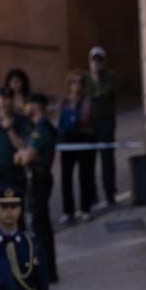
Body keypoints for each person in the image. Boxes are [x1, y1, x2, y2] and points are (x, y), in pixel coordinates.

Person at [16, 93, 59, 284]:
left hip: (40, 178)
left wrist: (23, 156)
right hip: (38, 178)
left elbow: (25, 157)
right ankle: (47, 270)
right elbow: (22, 154)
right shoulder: (36, 128)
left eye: (30, 103)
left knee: (41, 228)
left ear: (38, 106)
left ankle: (48, 272)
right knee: (39, 226)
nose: (27, 107)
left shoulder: (41, 129)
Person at [57, 70, 95, 226]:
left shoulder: (86, 101)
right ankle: (68, 211)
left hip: (83, 139)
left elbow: (85, 118)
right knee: (66, 177)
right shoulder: (64, 102)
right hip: (67, 141)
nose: (76, 85)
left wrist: (74, 117)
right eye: (73, 82)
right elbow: (61, 121)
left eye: (79, 82)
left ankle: (85, 209)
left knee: (84, 175)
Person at [87, 45, 118, 211]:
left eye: (99, 60)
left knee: (107, 160)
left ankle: (110, 192)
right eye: (94, 59)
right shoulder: (85, 80)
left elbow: (104, 94)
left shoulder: (109, 78)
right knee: (90, 161)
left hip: (106, 123)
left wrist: (97, 81)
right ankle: (92, 196)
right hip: (90, 126)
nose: (96, 63)